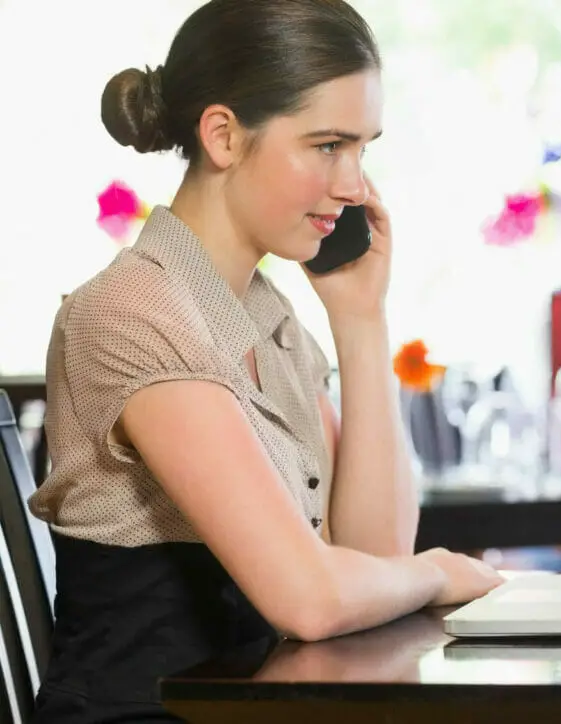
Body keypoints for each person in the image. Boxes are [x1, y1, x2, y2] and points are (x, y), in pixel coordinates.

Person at [28, 1, 502, 719]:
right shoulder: (131, 313)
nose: (354, 186)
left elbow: (374, 555)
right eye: (327, 146)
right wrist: (435, 574)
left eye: (362, 149)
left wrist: (361, 321)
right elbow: (310, 601)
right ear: (222, 135)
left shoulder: (266, 316)